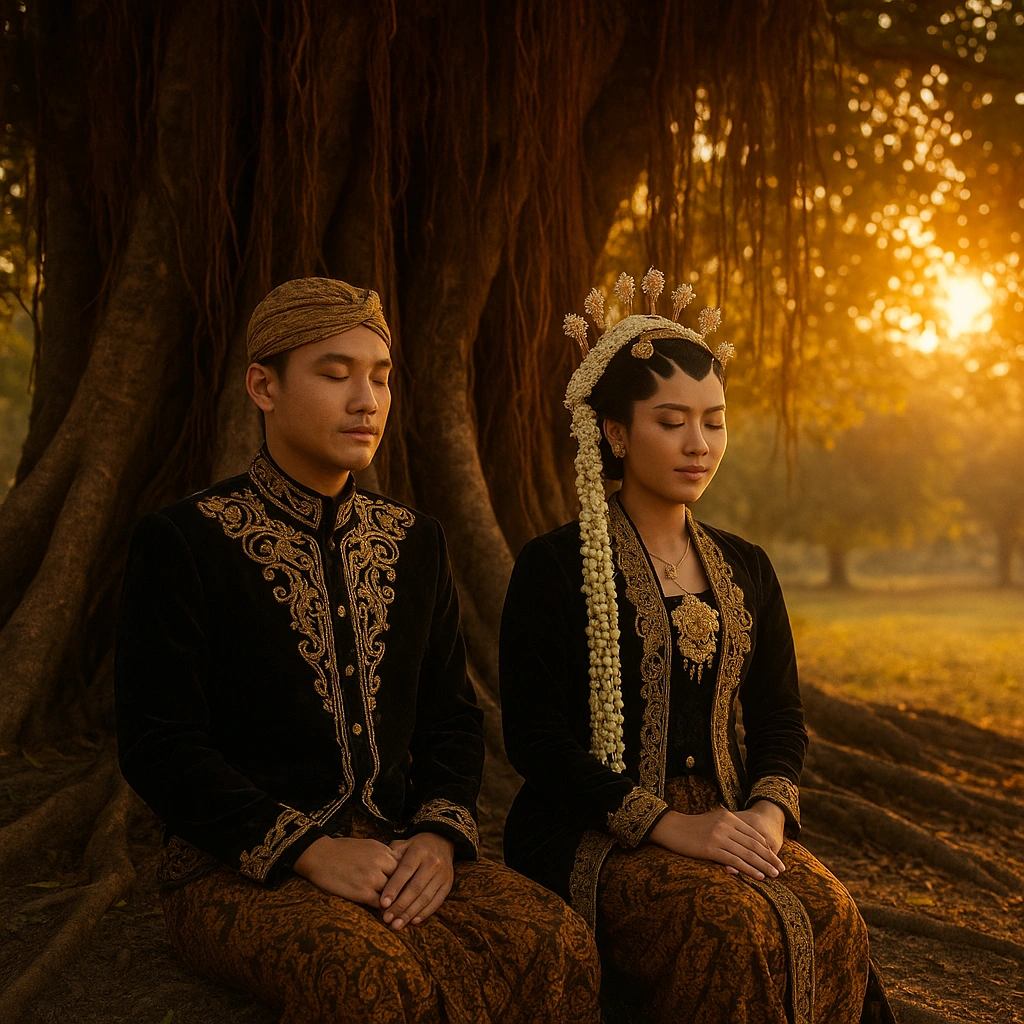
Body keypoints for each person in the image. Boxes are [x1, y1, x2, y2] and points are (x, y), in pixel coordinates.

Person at [115, 277, 601, 1024]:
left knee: (554, 938)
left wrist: (439, 838)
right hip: (234, 870)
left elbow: (451, 719)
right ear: (262, 386)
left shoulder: (415, 542)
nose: (366, 399)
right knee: (362, 974)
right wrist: (307, 849)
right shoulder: (187, 541)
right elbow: (159, 743)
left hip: (399, 853)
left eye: (380, 377)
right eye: (335, 373)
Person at [499, 271, 894, 1024]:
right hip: (593, 829)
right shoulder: (554, 567)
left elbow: (779, 718)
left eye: (714, 421)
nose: (698, 444)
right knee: (731, 929)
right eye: (671, 421)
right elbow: (536, 740)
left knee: (834, 915)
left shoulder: (745, 566)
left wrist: (767, 818)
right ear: (614, 434)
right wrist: (666, 825)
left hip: (733, 819)